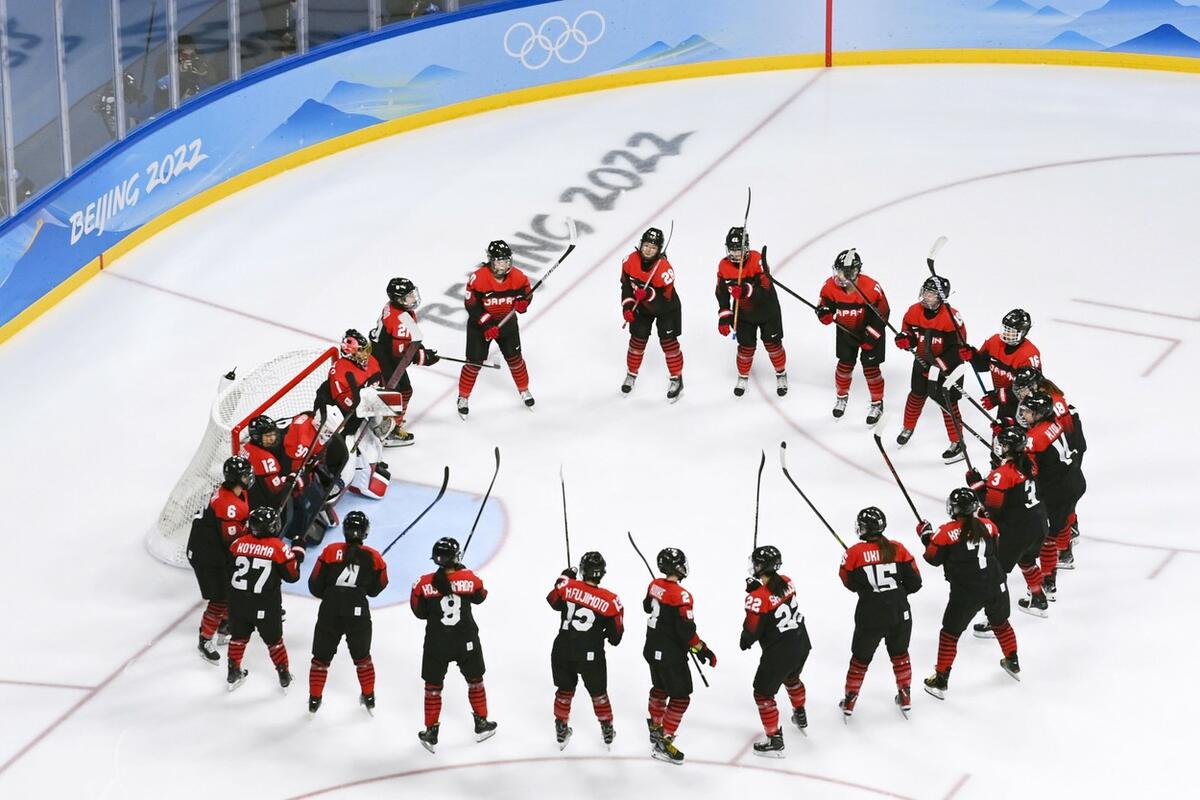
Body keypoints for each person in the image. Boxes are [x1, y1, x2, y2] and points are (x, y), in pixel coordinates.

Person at [918, 488, 1021, 700]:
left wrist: (926, 536)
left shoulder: (945, 532)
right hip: (996, 584)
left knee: (950, 634)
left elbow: (932, 558)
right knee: (1001, 623)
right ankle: (1013, 660)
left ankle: (941, 679)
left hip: (967, 591)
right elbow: (994, 550)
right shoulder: (989, 525)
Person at [410, 537, 498, 752]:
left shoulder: (422, 583)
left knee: (432, 687)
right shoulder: (470, 578)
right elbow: (481, 596)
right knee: (475, 680)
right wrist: (462, 573)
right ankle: (482, 723)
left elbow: (419, 612)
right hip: (465, 639)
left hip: (436, 642)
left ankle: (431, 732)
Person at [837, 507, 922, 719]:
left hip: (870, 613)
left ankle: (850, 699)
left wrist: (869, 589)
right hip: (900, 611)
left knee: (860, 659)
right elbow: (915, 582)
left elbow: (848, 582)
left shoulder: (854, 553)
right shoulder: (898, 548)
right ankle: (905, 695)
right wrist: (896, 594)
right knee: (900, 655)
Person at [966, 426, 1051, 629]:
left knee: (996, 574)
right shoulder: (1029, 464)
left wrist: (977, 486)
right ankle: (1038, 598)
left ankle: (995, 619)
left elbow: (992, 509)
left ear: (1007, 448)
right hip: (1038, 525)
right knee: (1027, 560)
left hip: (1017, 532)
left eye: (1002, 443)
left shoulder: (1001, 475)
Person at [307, 511, 389, 716]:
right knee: (363, 658)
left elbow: (314, 584)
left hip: (330, 609)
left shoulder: (329, 551)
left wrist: (332, 595)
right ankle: (369, 697)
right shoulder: (374, 557)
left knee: (320, 659)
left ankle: (314, 700)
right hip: (358, 612)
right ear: (365, 532)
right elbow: (377, 588)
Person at [642, 547, 716, 765]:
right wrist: (703, 649)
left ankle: (656, 726)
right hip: (670, 655)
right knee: (681, 697)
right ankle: (664, 740)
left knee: (660, 688)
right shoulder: (682, 595)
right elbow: (686, 632)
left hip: (651, 648)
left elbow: (646, 607)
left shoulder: (654, 585)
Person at [546, 552, 624, 750]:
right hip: (591, 653)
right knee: (599, 693)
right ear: (602, 573)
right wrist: (602, 632)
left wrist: (564, 577)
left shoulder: (567, 586)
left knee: (564, 691)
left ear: (582, 570)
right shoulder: (611, 600)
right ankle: (607, 729)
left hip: (562, 649)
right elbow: (616, 638)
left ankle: (561, 728)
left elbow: (553, 601)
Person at [1011, 366, 1087, 568]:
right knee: (1066, 498)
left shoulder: (1052, 403)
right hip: (1066, 454)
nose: (1020, 394)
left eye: (1023, 389)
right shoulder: (1042, 401)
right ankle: (1068, 529)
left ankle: (1065, 542)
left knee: (1058, 508)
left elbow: (1061, 436)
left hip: (1069, 449)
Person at [740, 545, 810, 758]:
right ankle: (800, 712)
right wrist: (758, 589)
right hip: (801, 642)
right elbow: (774, 597)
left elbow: (751, 631)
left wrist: (745, 640)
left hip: (780, 651)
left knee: (762, 693)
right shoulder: (787, 581)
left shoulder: (757, 598)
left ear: (761, 567)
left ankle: (774, 740)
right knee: (792, 678)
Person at [1016, 391, 1086, 603]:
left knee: (1048, 536)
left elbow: (1030, 471)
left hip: (1058, 491)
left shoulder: (1033, 438)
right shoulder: (1053, 423)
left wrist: (1013, 454)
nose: (1024, 415)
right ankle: (1065, 553)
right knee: (1062, 520)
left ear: (1039, 414)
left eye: (1028, 412)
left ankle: (1049, 583)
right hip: (1074, 480)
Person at [893, 276, 970, 462]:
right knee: (916, 394)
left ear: (941, 297)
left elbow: (958, 349)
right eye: (926, 292)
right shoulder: (914, 311)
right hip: (923, 361)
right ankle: (908, 427)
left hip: (948, 367)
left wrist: (938, 367)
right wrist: (906, 339)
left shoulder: (952, 317)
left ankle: (957, 442)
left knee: (947, 403)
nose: (927, 296)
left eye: (932, 294)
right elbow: (910, 333)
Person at [225, 506, 301, 692]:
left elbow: (228, 571)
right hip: (265, 604)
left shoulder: (237, 544)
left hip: (238, 602)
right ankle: (284, 675)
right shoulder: (278, 547)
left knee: (238, 638)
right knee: (274, 642)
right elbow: (293, 576)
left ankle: (233, 672)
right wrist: (298, 553)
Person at [187, 456, 253, 664]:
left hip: (212, 550)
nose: (249, 477)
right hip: (207, 556)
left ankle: (224, 626)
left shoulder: (237, 493)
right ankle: (205, 640)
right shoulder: (227, 504)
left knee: (230, 591)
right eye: (245, 475)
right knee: (220, 598)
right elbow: (231, 540)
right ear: (235, 479)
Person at [316, 330, 395, 501]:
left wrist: (378, 405)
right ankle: (332, 483)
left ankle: (376, 434)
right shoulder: (339, 369)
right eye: (361, 351)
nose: (365, 354)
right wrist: (369, 403)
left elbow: (378, 386)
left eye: (366, 350)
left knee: (374, 441)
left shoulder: (371, 362)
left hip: (359, 411)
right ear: (350, 352)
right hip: (340, 415)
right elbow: (347, 404)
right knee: (347, 456)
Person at [457, 241, 534, 417]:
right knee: (473, 364)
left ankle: (524, 389)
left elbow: (526, 293)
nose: (503, 265)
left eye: (506, 261)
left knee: (515, 359)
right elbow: (471, 305)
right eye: (499, 261)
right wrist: (486, 323)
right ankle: (463, 397)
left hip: (508, 324)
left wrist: (523, 302)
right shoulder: (478, 278)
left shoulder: (518, 277)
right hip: (480, 328)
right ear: (491, 261)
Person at [815, 249, 890, 424]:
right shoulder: (829, 286)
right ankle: (841, 397)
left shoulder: (871, 287)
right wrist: (823, 313)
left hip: (871, 333)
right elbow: (824, 305)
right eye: (838, 270)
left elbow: (884, 313)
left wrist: (871, 336)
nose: (840, 276)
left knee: (871, 369)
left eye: (845, 272)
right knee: (844, 366)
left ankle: (877, 403)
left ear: (856, 271)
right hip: (845, 330)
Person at [715, 227, 788, 397]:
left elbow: (766, 287)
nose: (735, 254)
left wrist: (747, 290)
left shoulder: (757, 259)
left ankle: (781, 373)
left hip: (767, 310)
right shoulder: (723, 266)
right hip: (743, 314)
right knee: (745, 347)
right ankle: (742, 376)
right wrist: (724, 315)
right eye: (732, 250)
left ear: (746, 247)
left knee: (773, 345)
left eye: (738, 249)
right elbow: (721, 291)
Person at [370, 277, 441, 447]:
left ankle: (394, 422)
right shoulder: (400, 319)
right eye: (408, 296)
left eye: (412, 293)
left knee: (403, 392)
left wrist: (420, 349)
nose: (413, 298)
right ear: (398, 299)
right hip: (384, 359)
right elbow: (400, 354)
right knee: (396, 394)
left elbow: (406, 342)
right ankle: (389, 432)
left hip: (382, 351)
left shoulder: (396, 308)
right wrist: (422, 357)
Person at [620, 228, 684, 402]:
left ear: (659, 250)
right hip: (642, 307)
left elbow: (665, 300)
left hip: (667, 310)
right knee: (637, 340)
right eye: (646, 245)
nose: (648, 250)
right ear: (641, 244)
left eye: (653, 247)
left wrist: (649, 294)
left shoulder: (664, 269)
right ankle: (631, 374)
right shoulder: (629, 261)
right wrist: (628, 306)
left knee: (668, 343)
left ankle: (676, 378)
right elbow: (626, 286)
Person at [962, 308, 1042, 419]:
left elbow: (1030, 389)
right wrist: (973, 356)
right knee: (1001, 428)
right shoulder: (994, 342)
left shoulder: (1029, 355)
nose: (1007, 335)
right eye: (1006, 330)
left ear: (1023, 333)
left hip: (1026, 406)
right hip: (1006, 402)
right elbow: (983, 366)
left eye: (1011, 332)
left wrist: (999, 396)